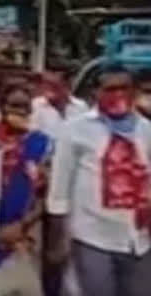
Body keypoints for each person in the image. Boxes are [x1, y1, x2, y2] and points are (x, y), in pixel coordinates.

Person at [47, 65, 151, 296]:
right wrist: (58, 240)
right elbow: (59, 191)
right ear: (95, 92)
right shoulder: (75, 130)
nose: (119, 95)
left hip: (139, 239)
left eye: (125, 88)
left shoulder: (146, 130)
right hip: (92, 236)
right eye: (111, 89)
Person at [0, 84, 51, 295]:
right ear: (1, 107)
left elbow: (47, 196)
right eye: (14, 106)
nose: (20, 112)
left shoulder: (42, 144)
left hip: (25, 236)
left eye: (25, 107)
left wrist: (22, 225)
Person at [33, 64, 89, 141]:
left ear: (66, 85)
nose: (48, 90)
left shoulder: (80, 106)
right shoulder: (37, 105)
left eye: (54, 86)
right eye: (44, 84)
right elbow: (33, 134)